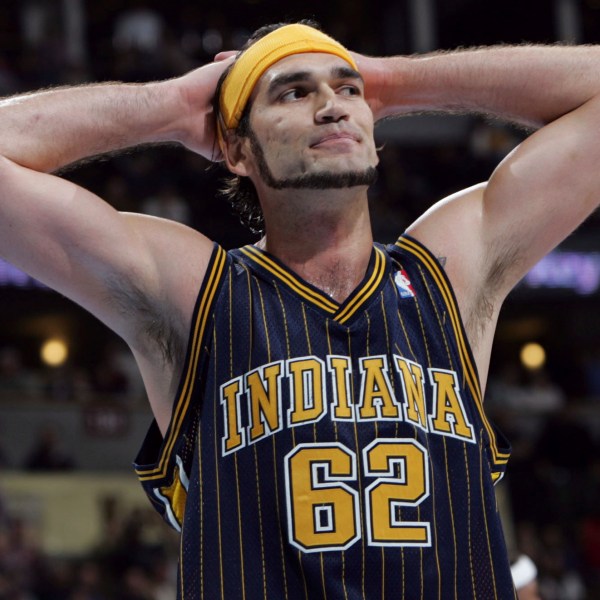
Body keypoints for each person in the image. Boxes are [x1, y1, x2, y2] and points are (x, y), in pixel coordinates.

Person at [0, 19, 599, 599]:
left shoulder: (449, 273)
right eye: (293, 92)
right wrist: (171, 104)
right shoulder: (190, 289)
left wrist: (392, 79)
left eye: (347, 90)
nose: (333, 106)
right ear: (236, 149)